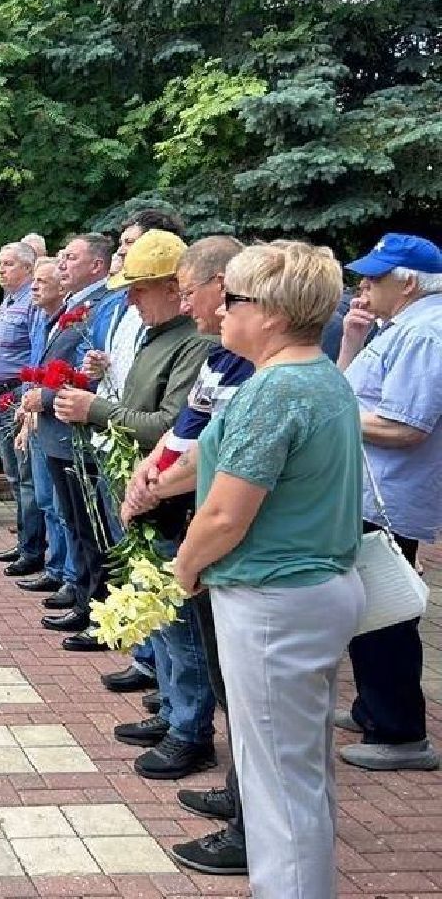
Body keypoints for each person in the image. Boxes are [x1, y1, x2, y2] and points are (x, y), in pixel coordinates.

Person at [173, 240, 365, 899]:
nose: (222, 312)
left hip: (273, 600)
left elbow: (228, 515)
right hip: (309, 594)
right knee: (300, 774)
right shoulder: (319, 377)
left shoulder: (277, 389)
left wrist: (186, 566)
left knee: (278, 790)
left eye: (234, 300)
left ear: (273, 314)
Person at [120, 236, 254, 873]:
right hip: (174, 505)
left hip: (240, 552)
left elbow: (218, 464)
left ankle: (236, 793)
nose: (198, 303)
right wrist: (151, 473)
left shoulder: (269, 375)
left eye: (191, 288)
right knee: (197, 647)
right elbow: (187, 430)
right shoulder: (224, 356)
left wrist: (154, 483)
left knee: (229, 673)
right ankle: (232, 787)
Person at [53, 231, 210, 687]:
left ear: (172, 287)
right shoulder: (155, 334)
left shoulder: (192, 342)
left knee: (173, 613)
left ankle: (185, 722)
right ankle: (164, 692)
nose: (131, 299)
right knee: (148, 595)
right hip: (140, 482)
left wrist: (96, 410)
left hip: (166, 493)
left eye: (140, 288)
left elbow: (169, 426)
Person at [335, 233, 442, 772]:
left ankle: (400, 734)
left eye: (374, 277)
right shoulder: (400, 326)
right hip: (372, 491)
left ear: (407, 283)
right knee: (369, 610)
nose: (363, 285)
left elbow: (406, 426)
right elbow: (358, 388)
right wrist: (354, 340)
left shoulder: (425, 334)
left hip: (387, 498)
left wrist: (330, 411)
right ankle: (373, 709)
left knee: (385, 614)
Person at [19, 233, 113, 650]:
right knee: (75, 522)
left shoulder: (97, 308)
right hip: (58, 432)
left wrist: (48, 397)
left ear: (96, 265)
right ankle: (82, 597)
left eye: (70, 258)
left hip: (78, 433)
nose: (62, 266)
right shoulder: (75, 307)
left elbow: (89, 375)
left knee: (90, 527)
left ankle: (97, 608)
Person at [0, 244, 48, 567]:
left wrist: (28, 401)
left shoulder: (32, 303)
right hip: (0, 395)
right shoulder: (8, 302)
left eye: (8, 264)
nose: (1, 270)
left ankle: (33, 550)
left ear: (28, 269)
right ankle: (23, 541)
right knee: (15, 475)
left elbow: (38, 352)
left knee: (27, 474)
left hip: (20, 396)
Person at [13, 257, 75, 598]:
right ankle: (55, 568)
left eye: (41, 281)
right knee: (46, 499)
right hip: (36, 415)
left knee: (61, 505)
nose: (33, 287)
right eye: (34, 280)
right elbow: (35, 367)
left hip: (55, 420)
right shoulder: (43, 320)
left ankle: (68, 574)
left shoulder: (69, 321)